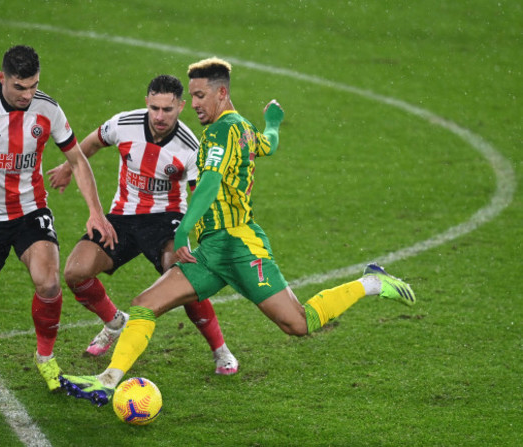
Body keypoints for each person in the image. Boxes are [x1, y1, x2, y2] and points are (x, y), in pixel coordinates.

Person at [59, 57, 416, 406]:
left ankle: (371, 282)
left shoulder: (219, 131)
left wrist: (183, 231)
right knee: (144, 304)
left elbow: (211, 182)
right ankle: (106, 382)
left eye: (199, 96)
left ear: (221, 93)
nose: (194, 105)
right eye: (193, 96)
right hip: (213, 249)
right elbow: (269, 144)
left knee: (298, 324)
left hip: (242, 245)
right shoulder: (242, 128)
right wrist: (273, 121)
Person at [0, 45, 117, 392]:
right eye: (20, 87)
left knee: (49, 281)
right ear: (2, 78)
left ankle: (45, 356)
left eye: (34, 86)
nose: (28, 95)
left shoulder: (48, 109)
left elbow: (76, 160)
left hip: (30, 210)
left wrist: (95, 212)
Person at [46, 74, 238, 375]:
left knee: (184, 277)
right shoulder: (124, 124)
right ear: (147, 103)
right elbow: (93, 142)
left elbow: (199, 195)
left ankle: (220, 350)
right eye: (154, 108)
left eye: (168, 110)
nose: (160, 116)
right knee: (75, 273)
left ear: (181, 106)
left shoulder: (191, 148)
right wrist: (68, 168)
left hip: (167, 220)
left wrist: (203, 233)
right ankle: (114, 323)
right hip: (122, 217)